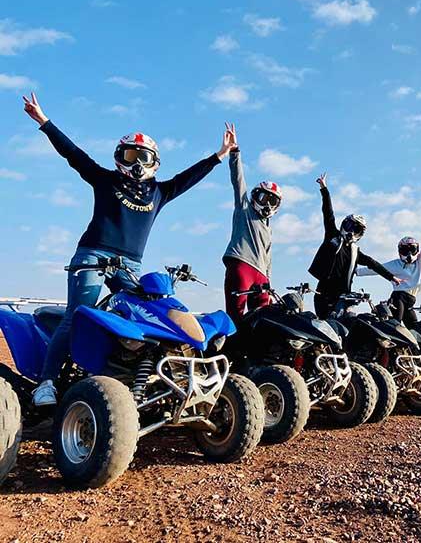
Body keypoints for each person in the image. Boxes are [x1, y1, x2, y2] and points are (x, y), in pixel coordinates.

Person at [22, 92, 235, 406]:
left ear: (154, 162)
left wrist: (219, 155)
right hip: (92, 256)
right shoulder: (105, 180)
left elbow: (188, 179)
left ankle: (129, 379)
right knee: (77, 316)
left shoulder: (160, 193)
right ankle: (47, 383)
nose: (136, 163)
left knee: (146, 316)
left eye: (143, 157)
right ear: (119, 158)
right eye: (130, 156)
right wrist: (44, 121)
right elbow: (74, 155)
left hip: (130, 266)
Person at [308, 173, 401, 319]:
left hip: (344, 298)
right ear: (344, 224)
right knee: (326, 327)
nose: (351, 231)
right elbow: (328, 213)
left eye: (356, 229)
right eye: (350, 226)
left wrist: (391, 277)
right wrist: (324, 189)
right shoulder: (333, 236)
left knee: (348, 326)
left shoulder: (355, 251)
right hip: (323, 294)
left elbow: (373, 263)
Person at [221, 123, 281, 325]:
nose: (267, 204)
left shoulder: (268, 226)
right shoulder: (244, 209)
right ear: (256, 196)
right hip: (242, 264)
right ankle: (230, 353)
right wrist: (235, 152)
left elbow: (269, 255)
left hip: (262, 274)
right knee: (236, 316)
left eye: (272, 201)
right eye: (264, 198)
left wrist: (269, 280)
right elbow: (238, 181)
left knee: (263, 319)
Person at [356, 217, 421, 328]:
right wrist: (356, 271)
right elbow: (375, 269)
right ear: (399, 252)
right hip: (399, 297)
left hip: (411, 299)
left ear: (417, 251)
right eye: (404, 250)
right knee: (395, 324)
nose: (408, 254)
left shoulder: (420, 260)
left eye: (412, 250)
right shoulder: (395, 264)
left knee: (413, 328)